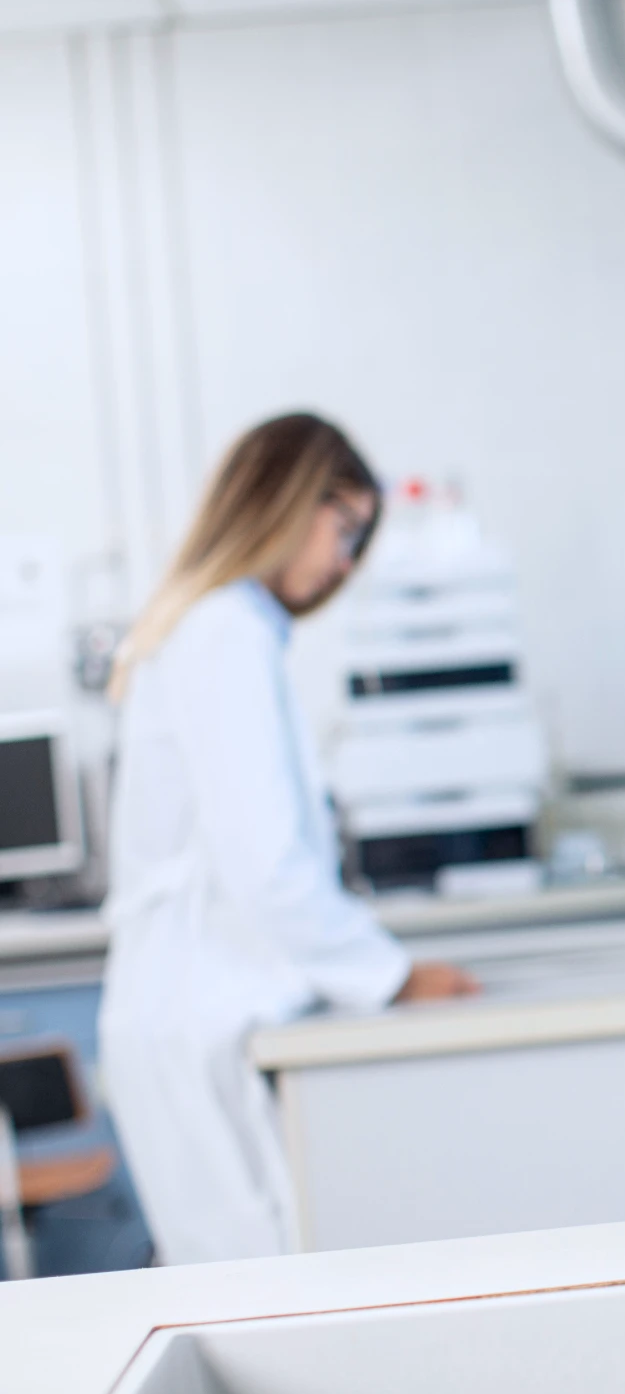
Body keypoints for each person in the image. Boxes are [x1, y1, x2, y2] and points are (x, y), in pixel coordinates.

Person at [99, 413, 478, 1264]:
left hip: (192, 1015)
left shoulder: (221, 627)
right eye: (343, 529)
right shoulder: (224, 631)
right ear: (283, 500)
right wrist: (393, 975)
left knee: (248, 1281)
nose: (344, 563)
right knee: (257, 1287)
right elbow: (266, 864)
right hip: (199, 1017)